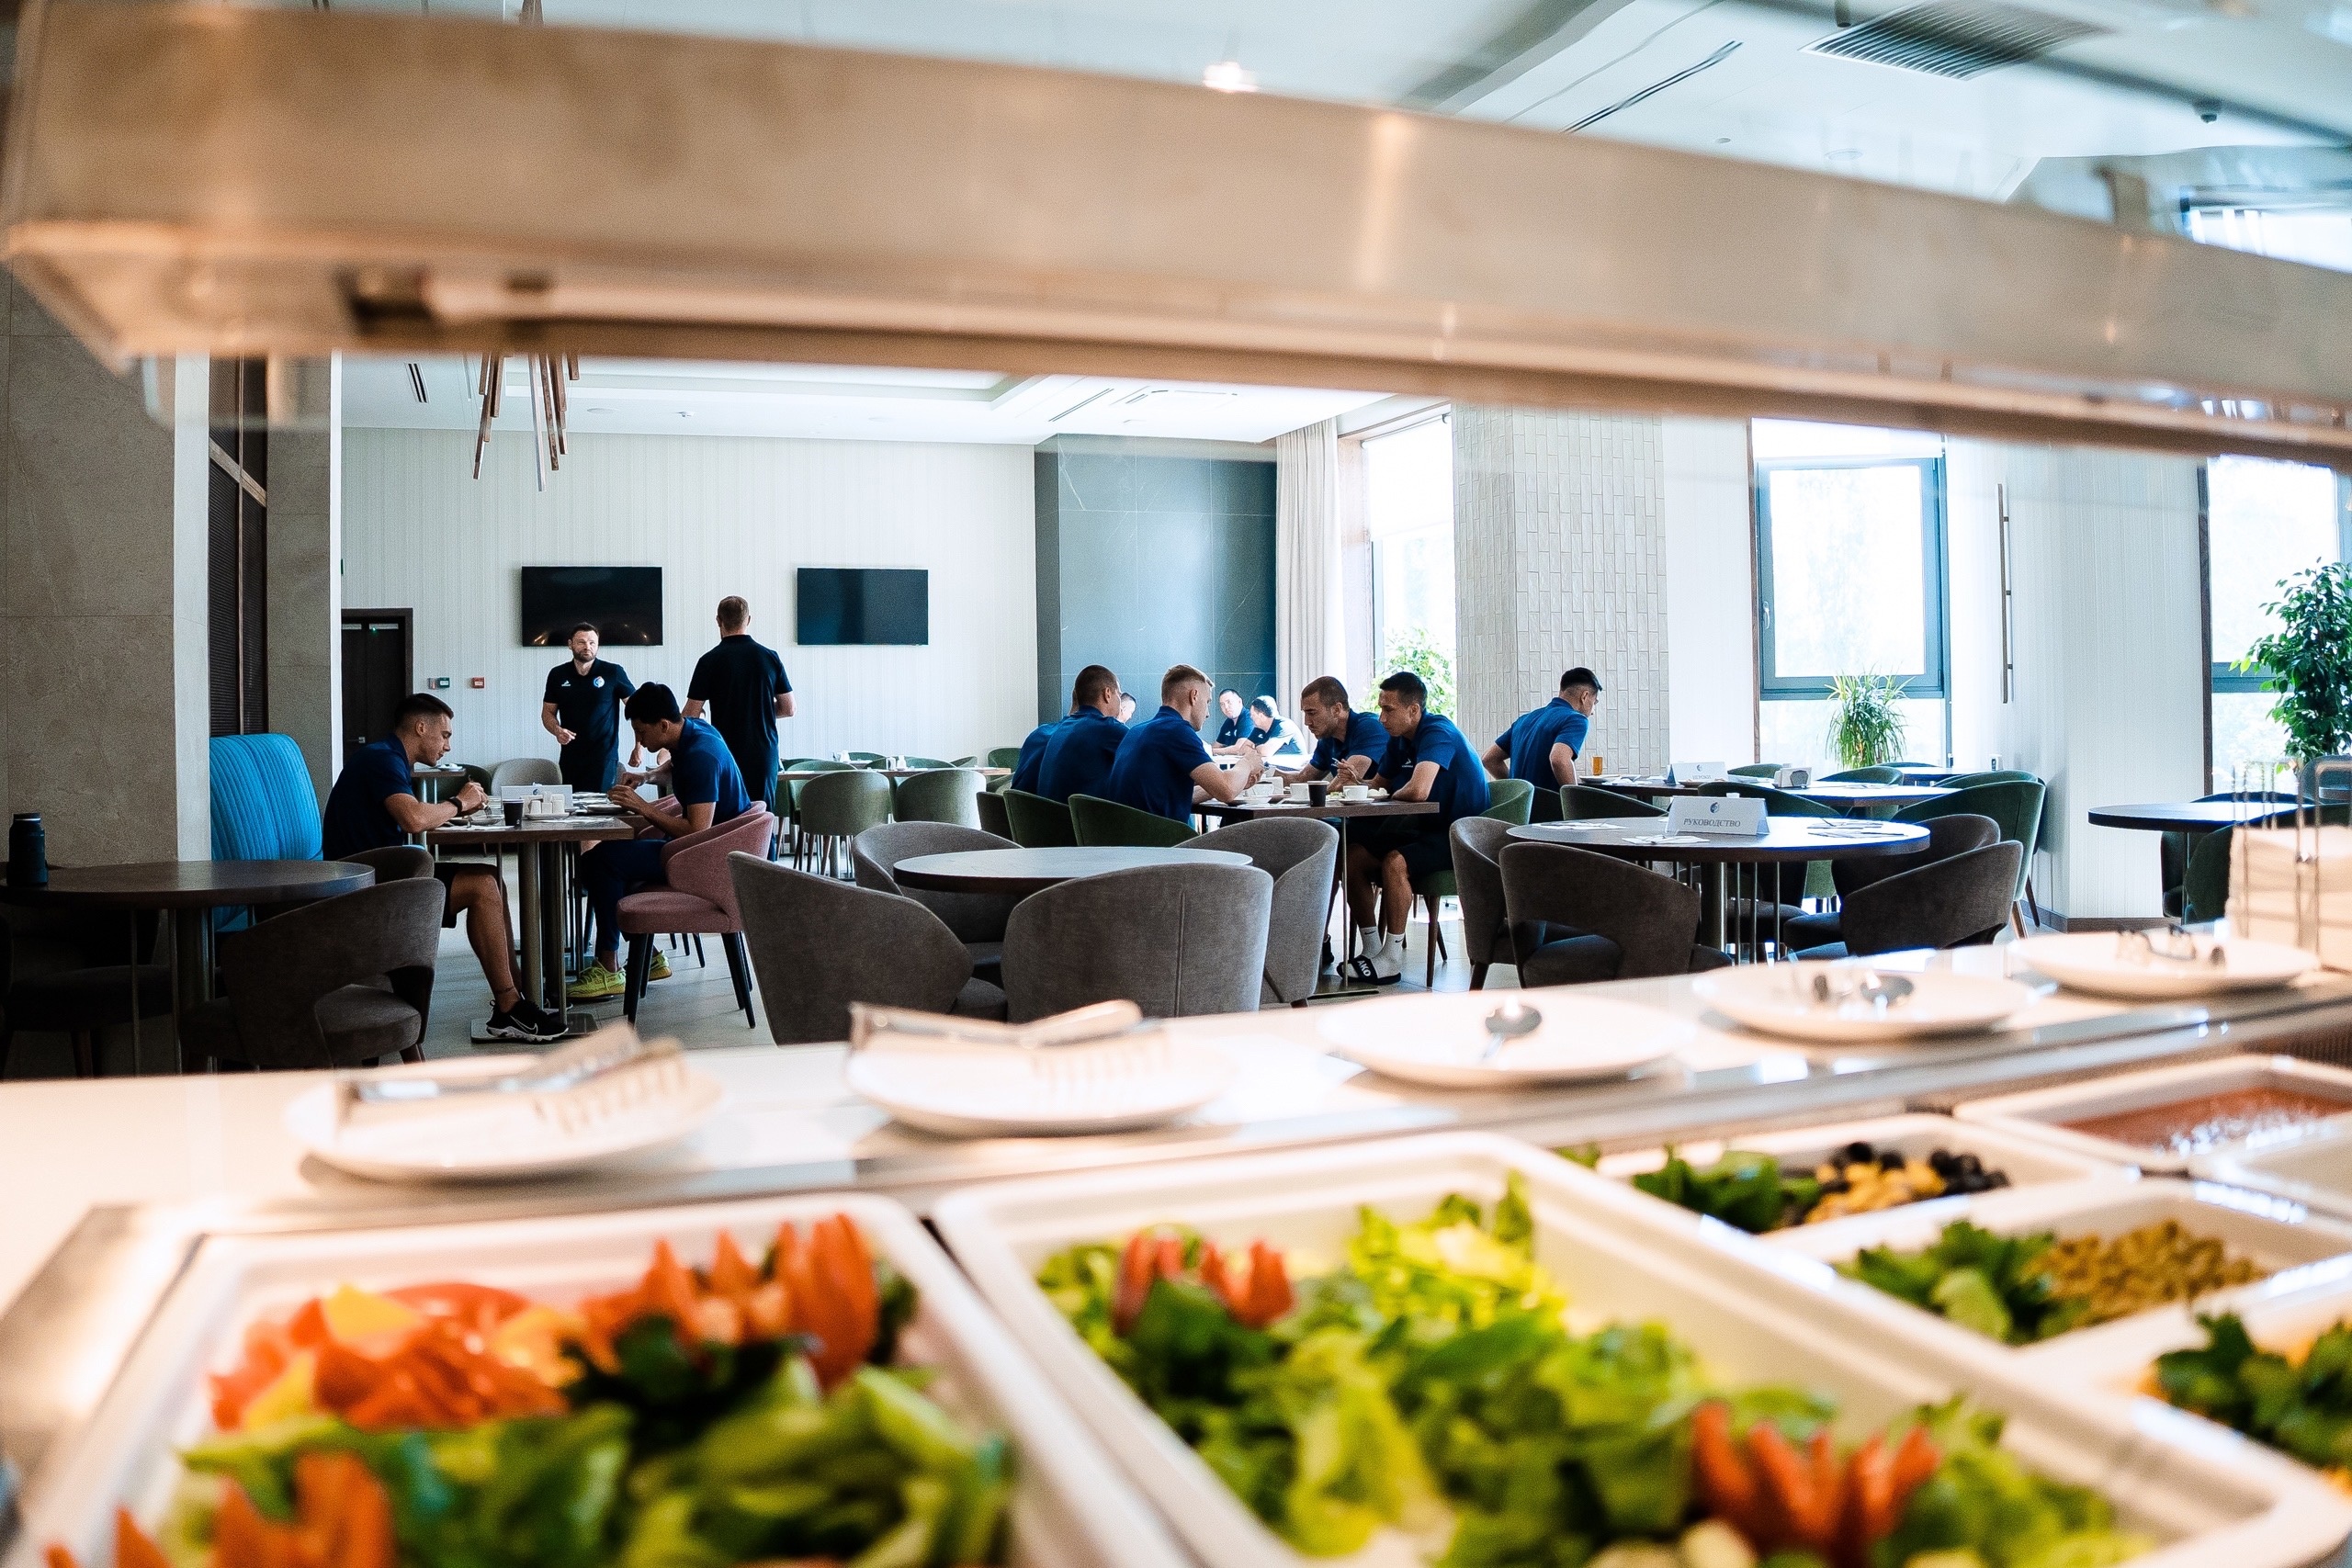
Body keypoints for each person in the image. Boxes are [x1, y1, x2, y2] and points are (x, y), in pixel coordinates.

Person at [321, 692, 562, 1042]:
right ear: (421, 728)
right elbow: (414, 819)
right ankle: (510, 1007)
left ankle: (517, 996)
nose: (447, 746)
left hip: (377, 874)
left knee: (491, 878)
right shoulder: (382, 759)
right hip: (365, 888)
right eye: (444, 735)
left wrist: (452, 810)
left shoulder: (386, 757)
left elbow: (411, 816)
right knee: (482, 886)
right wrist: (458, 803)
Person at [570, 683, 753, 1001]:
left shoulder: (701, 756)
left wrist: (643, 807)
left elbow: (696, 829)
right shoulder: (694, 729)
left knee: (601, 861)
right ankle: (649, 956)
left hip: (709, 859)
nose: (639, 741)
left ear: (664, 725)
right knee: (606, 860)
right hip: (707, 848)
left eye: (642, 732)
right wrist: (647, 777)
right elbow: (674, 765)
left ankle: (609, 967)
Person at [1346, 671, 1491, 983]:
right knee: (1353, 856)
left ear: (1413, 710)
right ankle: (1372, 949)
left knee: (1395, 861)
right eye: (1380, 708)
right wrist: (1356, 782)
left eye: (1389, 710)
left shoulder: (1438, 731)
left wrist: (1388, 792)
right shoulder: (1399, 740)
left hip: (1462, 835)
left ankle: (1392, 958)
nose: (1382, 718)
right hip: (1429, 829)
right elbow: (1380, 784)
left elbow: (1418, 791)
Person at [1104, 664, 1264, 821]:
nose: (1208, 714)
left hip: (1127, 834)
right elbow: (1227, 790)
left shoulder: (1135, 731)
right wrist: (1248, 762)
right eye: (1207, 702)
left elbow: (1176, 797)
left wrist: (1235, 783)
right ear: (1194, 696)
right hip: (1160, 836)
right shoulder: (1176, 731)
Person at [684, 595, 794, 812]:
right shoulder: (769, 657)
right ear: (748, 620)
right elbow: (788, 708)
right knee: (761, 817)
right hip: (763, 751)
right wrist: (758, 708)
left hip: (724, 752)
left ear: (718, 620)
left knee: (728, 820)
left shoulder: (709, 661)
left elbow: (691, 714)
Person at [540, 622, 642, 794]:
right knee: (573, 805)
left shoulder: (613, 672)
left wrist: (638, 747)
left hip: (604, 756)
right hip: (571, 757)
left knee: (600, 806)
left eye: (592, 642)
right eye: (581, 642)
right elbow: (547, 713)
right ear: (570, 644)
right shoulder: (558, 674)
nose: (587, 647)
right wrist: (557, 730)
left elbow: (638, 711)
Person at [1010, 663, 1119, 795]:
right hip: (1064, 807)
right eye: (1119, 694)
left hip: (1023, 807)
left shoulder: (1040, 733)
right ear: (1107, 694)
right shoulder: (1101, 729)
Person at [1485, 667, 1601, 786]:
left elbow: (1489, 759)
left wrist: (1517, 789)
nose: (1592, 712)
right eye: (1595, 702)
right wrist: (1573, 797)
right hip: (1550, 799)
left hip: (1522, 799)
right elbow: (1559, 759)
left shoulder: (1524, 720)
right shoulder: (1576, 719)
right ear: (1584, 696)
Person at [1037, 664, 1127, 802]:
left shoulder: (1061, 730)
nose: (1120, 703)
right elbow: (1141, 753)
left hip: (1050, 813)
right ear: (1108, 694)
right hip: (1078, 815)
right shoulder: (1107, 728)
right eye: (1119, 695)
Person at [1282, 676, 1389, 785]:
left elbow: (1344, 783)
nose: (1306, 722)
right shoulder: (1328, 737)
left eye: (1312, 713)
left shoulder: (1369, 727)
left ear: (1337, 709)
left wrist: (1315, 792)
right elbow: (1302, 778)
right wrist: (1270, 772)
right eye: (1305, 713)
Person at [1244, 694, 1308, 765]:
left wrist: (1255, 747)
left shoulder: (1284, 725)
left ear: (1261, 716)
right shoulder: (1259, 728)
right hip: (1273, 767)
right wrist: (1258, 750)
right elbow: (1243, 749)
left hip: (1294, 768)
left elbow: (1265, 752)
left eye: (1253, 715)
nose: (1251, 717)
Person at [1206, 688, 1250, 752]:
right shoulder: (1228, 722)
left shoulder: (1249, 718)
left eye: (1229, 702)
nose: (1226, 707)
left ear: (1239, 702)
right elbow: (1217, 745)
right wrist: (1200, 748)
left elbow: (1240, 748)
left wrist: (1210, 751)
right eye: (1222, 704)